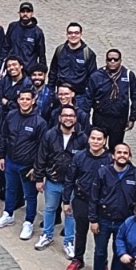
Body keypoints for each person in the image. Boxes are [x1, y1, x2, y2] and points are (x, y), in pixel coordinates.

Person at [85, 142, 136, 270]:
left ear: (130, 156)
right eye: (119, 152)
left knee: (120, 253)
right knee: (99, 252)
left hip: (124, 222)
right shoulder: (103, 173)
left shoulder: (135, 175)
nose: (122, 155)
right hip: (103, 220)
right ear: (113, 155)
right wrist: (93, 219)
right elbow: (94, 197)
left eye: (125, 153)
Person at [0, 89, 42, 237]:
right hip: (10, 162)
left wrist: (36, 168)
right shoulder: (11, 116)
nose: (24, 102)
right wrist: (2, 155)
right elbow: (3, 136)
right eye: (22, 99)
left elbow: (42, 149)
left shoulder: (39, 122)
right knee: (10, 190)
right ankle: (8, 214)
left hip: (27, 166)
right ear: (18, 101)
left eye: (27, 99)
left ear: (33, 101)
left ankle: (28, 222)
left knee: (30, 196)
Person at [36, 105, 85, 253]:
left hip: (72, 184)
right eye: (65, 115)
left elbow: (85, 162)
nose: (68, 118)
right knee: (50, 209)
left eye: (71, 116)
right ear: (60, 118)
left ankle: (69, 242)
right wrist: (39, 178)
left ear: (75, 119)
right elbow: (41, 157)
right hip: (52, 181)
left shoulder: (82, 138)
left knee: (70, 213)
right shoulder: (50, 135)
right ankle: (47, 234)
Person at [64, 128, 112, 270]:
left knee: (101, 237)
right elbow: (69, 179)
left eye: (99, 139)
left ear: (104, 141)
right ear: (89, 139)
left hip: (101, 205)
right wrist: (66, 201)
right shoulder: (79, 157)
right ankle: (78, 259)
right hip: (81, 201)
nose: (96, 142)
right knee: (80, 232)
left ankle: (102, 265)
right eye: (93, 138)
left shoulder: (110, 159)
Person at [87, 49, 136, 148]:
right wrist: (86, 117)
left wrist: (132, 118)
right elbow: (89, 97)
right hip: (100, 117)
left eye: (115, 59)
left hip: (119, 119)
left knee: (115, 148)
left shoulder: (128, 75)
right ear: (106, 60)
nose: (112, 62)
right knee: (98, 146)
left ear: (120, 60)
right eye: (109, 59)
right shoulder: (97, 76)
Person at [48, 22, 97, 92]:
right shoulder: (60, 50)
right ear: (67, 34)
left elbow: (93, 77)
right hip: (62, 94)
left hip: (80, 94)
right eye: (70, 33)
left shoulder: (88, 53)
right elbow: (53, 71)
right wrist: (50, 90)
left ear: (81, 34)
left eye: (76, 33)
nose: (73, 35)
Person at [4, 2, 45, 72]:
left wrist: (42, 71)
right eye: (23, 11)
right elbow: (5, 47)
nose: (25, 14)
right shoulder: (12, 27)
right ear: (19, 13)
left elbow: (41, 55)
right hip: (12, 69)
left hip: (28, 71)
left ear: (32, 13)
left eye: (28, 11)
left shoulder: (38, 32)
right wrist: (2, 65)